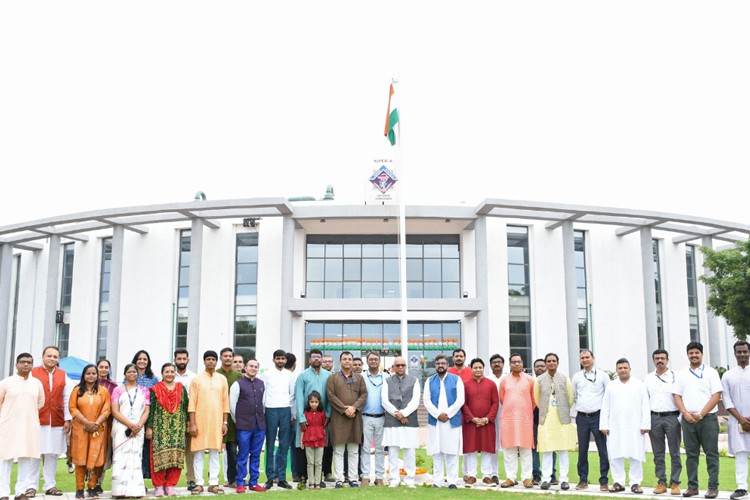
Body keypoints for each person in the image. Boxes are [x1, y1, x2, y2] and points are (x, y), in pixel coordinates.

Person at [673, 341, 722, 499]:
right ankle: (692, 487)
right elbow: (677, 395)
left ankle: (713, 487)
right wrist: (685, 413)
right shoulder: (681, 374)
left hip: (707, 419)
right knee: (691, 455)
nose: (694, 355)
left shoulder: (711, 372)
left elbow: (716, 396)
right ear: (687, 355)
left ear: (702, 354)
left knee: (711, 455)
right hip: (688, 420)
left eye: (697, 353)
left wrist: (700, 414)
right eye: (691, 353)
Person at [599, 358, 650, 494]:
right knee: (615, 454)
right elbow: (606, 406)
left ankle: (635, 483)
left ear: (629, 369)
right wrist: (604, 424)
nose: (622, 370)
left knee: (636, 454)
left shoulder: (639, 384)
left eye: (625, 368)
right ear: (616, 370)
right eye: (620, 368)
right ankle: (618, 482)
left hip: (635, 425)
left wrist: (645, 424)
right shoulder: (611, 385)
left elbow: (645, 405)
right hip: (615, 425)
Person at [0, 353, 45, 500]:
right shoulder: (6, 383)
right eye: (22, 362)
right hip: (8, 425)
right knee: (5, 458)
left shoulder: (37, 383)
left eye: (29, 362)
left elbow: (40, 403)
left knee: (26, 457)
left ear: (32, 365)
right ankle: (3, 493)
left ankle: (20, 492)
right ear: (16, 365)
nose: (26, 365)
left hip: (29, 426)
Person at [30, 346, 71, 498]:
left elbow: (67, 397)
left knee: (52, 454)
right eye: (49, 356)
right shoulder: (33, 373)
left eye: (55, 356)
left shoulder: (63, 374)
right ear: (42, 357)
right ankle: (31, 486)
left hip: (57, 419)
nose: (52, 359)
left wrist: (68, 419)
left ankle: (50, 485)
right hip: (37, 419)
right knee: (34, 453)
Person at [188, 350, 230, 495]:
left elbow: (226, 402)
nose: (211, 361)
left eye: (213, 359)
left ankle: (213, 483)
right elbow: (191, 403)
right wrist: (192, 423)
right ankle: (199, 483)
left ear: (216, 361)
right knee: (198, 452)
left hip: (217, 421)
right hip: (199, 421)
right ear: (204, 361)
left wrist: (225, 422)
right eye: (208, 359)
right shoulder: (196, 379)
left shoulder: (222, 379)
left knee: (214, 452)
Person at [534, 353, 575, 491]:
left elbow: (570, 397)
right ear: (546, 363)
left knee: (563, 450)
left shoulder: (564, 378)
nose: (551, 363)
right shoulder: (539, 380)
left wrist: (562, 409)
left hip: (562, 420)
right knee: (547, 450)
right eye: (549, 361)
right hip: (546, 420)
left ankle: (564, 479)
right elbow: (537, 399)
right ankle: (546, 479)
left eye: (554, 361)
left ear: (557, 363)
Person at [146, 363, 189, 498]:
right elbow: (151, 410)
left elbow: (186, 407)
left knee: (176, 456)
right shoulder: (155, 389)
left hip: (178, 428)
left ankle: (170, 485)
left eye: (172, 371)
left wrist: (188, 424)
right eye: (167, 372)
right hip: (159, 429)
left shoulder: (181, 388)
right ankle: (158, 486)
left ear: (175, 373)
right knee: (158, 458)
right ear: (162, 373)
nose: (169, 374)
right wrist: (149, 427)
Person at [69, 364, 112, 500]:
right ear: (84, 375)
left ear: (97, 375)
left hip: (98, 430)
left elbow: (107, 409)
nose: (91, 376)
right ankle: (79, 488)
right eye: (88, 373)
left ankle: (92, 487)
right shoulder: (77, 390)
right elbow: (72, 408)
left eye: (94, 373)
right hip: (81, 429)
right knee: (80, 459)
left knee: (96, 458)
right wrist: (86, 422)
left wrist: (96, 423)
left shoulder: (103, 391)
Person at [326, 351, 367, 488]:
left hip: (355, 417)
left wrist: (354, 408)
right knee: (338, 451)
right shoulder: (333, 378)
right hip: (339, 417)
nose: (348, 361)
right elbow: (331, 396)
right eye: (345, 359)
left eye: (350, 359)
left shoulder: (359, 378)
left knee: (354, 450)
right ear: (340, 362)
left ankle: (353, 478)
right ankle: (339, 479)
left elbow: (363, 395)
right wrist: (345, 409)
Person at [571, 349, 610, 492]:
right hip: (582, 417)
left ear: (593, 358)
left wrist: (606, 419)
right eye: (582, 358)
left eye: (587, 357)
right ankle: (582, 480)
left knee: (602, 450)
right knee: (582, 450)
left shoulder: (603, 376)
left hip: (598, 417)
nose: (585, 360)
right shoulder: (576, 377)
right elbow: (575, 395)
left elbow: (608, 397)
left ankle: (604, 480)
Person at [423, 354, 464, 489]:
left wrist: (447, 414)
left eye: (443, 363)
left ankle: (452, 481)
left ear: (448, 365)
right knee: (437, 451)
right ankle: (438, 481)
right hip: (435, 421)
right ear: (435, 365)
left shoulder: (456, 380)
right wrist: (437, 414)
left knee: (452, 451)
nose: (440, 365)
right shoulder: (430, 380)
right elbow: (427, 401)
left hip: (451, 421)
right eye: (438, 363)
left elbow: (460, 400)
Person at [645, 349, 682, 495]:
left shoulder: (676, 377)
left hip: (672, 417)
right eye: (657, 358)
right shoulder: (648, 378)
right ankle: (661, 482)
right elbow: (645, 401)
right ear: (653, 360)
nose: (659, 361)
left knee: (675, 452)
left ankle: (675, 483)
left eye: (662, 358)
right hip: (654, 418)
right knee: (658, 453)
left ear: (667, 360)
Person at [110, 364, 150, 498]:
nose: (132, 374)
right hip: (122, 427)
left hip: (139, 427)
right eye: (129, 372)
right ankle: (119, 491)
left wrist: (138, 425)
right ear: (125, 374)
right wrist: (130, 425)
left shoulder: (144, 390)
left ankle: (136, 491)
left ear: (137, 374)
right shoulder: (117, 390)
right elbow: (115, 411)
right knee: (121, 458)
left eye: (134, 372)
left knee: (136, 457)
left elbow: (146, 411)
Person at [295, 349, 331, 488]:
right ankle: (305, 478)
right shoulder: (303, 376)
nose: (316, 359)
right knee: (304, 447)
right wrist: (301, 417)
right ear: (309, 360)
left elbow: (329, 397)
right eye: (314, 357)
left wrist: (328, 414)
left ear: (322, 359)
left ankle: (319, 478)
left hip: (322, 419)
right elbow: (299, 397)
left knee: (322, 448)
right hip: (306, 418)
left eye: (319, 357)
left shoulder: (328, 375)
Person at [382, 357, 420, 488]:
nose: (400, 367)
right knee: (393, 451)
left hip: (409, 420)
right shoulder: (387, 381)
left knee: (410, 451)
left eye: (402, 365)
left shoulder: (414, 381)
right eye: (397, 365)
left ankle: (410, 479)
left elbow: (415, 401)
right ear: (393, 367)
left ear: (406, 366)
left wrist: (403, 413)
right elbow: (384, 401)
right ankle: (394, 479)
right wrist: (397, 414)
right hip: (392, 420)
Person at [498, 354, 535, 488]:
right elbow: (502, 398)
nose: (517, 364)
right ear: (510, 364)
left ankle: (526, 478)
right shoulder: (504, 380)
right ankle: (510, 477)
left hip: (525, 419)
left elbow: (534, 400)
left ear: (522, 363)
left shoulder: (530, 380)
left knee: (526, 449)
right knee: (509, 449)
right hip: (509, 419)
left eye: (519, 361)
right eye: (514, 362)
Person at [461, 358, 499, 487]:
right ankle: (471, 476)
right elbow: (463, 403)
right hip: (470, 423)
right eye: (475, 367)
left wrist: (487, 418)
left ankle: (486, 476)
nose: (478, 370)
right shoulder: (465, 384)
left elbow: (495, 403)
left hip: (487, 422)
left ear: (484, 368)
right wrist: (472, 418)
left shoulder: (491, 384)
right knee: (471, 449)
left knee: (486, 449)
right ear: (471, 369)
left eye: (480, 367)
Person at [230, 358, 266, 494]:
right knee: (243, 454)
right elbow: (232, 405)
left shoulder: (261, 383)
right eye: (251, 366)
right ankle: (240, 482)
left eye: (256, 367)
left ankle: (254, 482)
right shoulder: (238, 384)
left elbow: (263, 403)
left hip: (259, 425)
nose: (253, 368)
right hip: (243, 425)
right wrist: (238, 421)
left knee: (256, 454)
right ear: (245, 367)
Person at [261, 349, 294, 490]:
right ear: (274, 359)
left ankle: (281, 477)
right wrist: (264, 412)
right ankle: (270, 477)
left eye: (283, 358)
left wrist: (292, 413)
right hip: (270, 409)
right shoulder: (266, 374)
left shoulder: (290, 375)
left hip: (285, 409)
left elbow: (292, 394)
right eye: (278, 358)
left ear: (286, 360)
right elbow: (263, 393)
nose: (281, 361)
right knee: (269, 444)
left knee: (284, 445)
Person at [722, 341, 750, 500]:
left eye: (745, 352)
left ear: (749, 352)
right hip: (737, 421)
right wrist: (741, 420)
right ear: (734, 354)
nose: (742, 355)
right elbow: (727, 400)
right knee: (741, 454)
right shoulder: (728, 375)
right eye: (739, 352)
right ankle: (741, 487)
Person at [216, 347, 242, 489]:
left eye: (229, 356)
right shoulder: (215, 374)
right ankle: (213, 479)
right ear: (221, 358)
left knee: (233, 451)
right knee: (214, 450)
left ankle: (233, 479)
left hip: (233, 419)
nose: (227, 358)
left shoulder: (238, 376)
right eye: (224, 356)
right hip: (215, 415)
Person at [131, 350, 159, 484]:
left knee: (146, 451)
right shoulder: (130, 376)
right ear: (135, 361)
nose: (142, 361)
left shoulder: (153, 378)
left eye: (145, 359)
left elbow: (155, 400)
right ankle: (133, 481)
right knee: (133, 451)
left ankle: (142, 481)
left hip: (148, 418)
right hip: (131, 418)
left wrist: (150, 425)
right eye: (139, 359)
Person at [173, 348, 197, 492]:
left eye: (184, 359)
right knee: (173, 450)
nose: (181, 361)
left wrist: (191, 420)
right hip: (172, 419)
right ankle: (169, 481)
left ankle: (191, 480)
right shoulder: (168, 375)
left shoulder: (194, 377)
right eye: (179, 359)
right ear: (175, 360)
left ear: (188, 360)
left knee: (190, 451)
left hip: (189, 418)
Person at [360, 351, 386, 487]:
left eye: (376, 359)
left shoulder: (386, 377)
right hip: (365, 417)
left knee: (380, 448)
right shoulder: (361, 377)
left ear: (379, 361)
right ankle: (365, 476)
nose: (374, 361)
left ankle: (379, 476)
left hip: (382, 417)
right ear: (367, 361)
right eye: (371, 359)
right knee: (365, 448)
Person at [531, 358, 556, 485]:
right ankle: (536, 475)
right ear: (534, 368)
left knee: (552, 448)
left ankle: (552, 475)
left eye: (542, 366)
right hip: (534, 421)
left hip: (550, 420)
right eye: (537, 366)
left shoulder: (553, 382)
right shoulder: (531, 382)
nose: (540, 368)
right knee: (534, 449)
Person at [301, 391, 327, 489]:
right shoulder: (305, 413)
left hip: (320, 439)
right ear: (308, 402)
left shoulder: (322, 414)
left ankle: (317, 482)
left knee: (318, 462)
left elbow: (324, 426)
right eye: (312, 402)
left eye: (316, 402)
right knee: (310, 462)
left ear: (319, 402)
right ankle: (311, 482)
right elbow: (302, 428)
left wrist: (324, 437)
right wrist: (301, 440)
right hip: (308, 438)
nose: (314, 404)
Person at [488, 353, 505, 485]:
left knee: (508, 446)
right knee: (492, 447)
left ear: (503, 364)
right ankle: (494, 474)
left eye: (499, 362)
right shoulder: (487, 380)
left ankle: (511, 475)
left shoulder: (508, 379)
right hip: (491, 417)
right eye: (494, 362)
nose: (497, 364)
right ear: (490, 365)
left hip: (507, 417)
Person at [320, 354, 335, 482]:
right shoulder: (318, 376)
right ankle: (316, 473)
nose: (327, 364)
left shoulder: (335, 376)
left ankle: (328, 472)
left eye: (329, 362)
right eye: (325, 361)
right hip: (317, 416)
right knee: (318, 445)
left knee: (329, 445)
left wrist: (329, 414)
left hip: (332, 417)